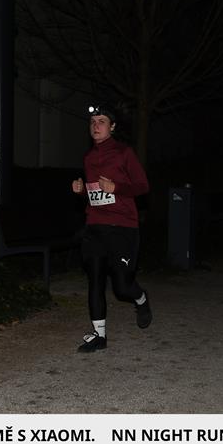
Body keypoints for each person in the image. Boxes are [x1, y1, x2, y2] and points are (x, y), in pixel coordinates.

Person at [71, 104, 152, 352]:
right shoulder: (88, 157)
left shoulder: (124, 153)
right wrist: (82, 192)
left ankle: (141, 299)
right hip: (95, 226)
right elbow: (96, 194)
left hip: (122, 227)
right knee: (95, 279)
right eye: (92, 122)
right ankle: (99, 335)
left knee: (122, 286)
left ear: (112, 127)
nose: (95, 126)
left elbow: (142, 186)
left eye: (102, 121)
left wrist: (117, 188)